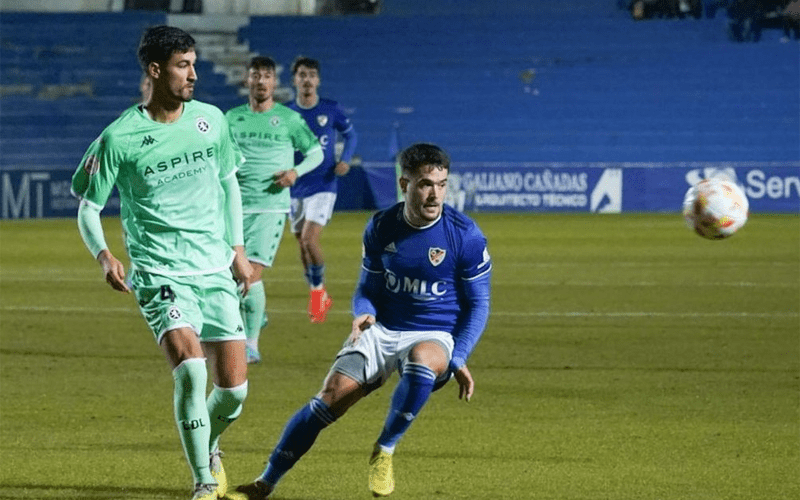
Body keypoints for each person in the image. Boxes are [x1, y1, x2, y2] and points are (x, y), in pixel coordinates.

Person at [234, 143, 493, 499]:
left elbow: (479, 305)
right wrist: (363, 312)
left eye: (442, 184)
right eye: (425, 184)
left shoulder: (465, 235)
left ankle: (384, 449)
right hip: (383, 329)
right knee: (329, 398)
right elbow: (366, 288)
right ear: (404, 185)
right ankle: (265, 482)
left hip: (435, 332)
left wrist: (459, 356)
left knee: (421, 361)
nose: (435, 194)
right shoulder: (381, 226)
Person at [71, 25, 254, 500]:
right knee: (192, 370)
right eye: (182, 65)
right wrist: (104, 253)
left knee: (233, 395)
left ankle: (208, 443)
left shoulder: (211, 120)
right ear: (155, 70)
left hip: (213, 268)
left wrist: (237, 249)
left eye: (193, 64)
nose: (193, 74)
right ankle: (203, 482)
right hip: (160, 273)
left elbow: (230, 183)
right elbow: (89, 207)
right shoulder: (119, 137)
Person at [226, 56, 324, 364]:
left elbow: (316, 153)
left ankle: (251, 345)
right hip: (234, 207)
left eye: (266, 76)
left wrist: (295, 173)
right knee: (232, 276)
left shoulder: (289, 120)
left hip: (270, 208)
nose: (260, 81)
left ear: (274, 82)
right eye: (255, 76)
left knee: (251, 274)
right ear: (247, 81)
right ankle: (259, 313)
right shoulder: (231, 118)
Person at [286, 56, 358, 323]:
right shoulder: (286, 113)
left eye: (311, 75)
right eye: (302, 74)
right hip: (295, 187)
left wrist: (346, 159)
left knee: (309, 239)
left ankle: (318, 295)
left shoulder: (331, 109)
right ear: (294, 80)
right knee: (301, 245)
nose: (307, 79)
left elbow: (351, 134)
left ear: (318, 80)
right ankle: (316, 290)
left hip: (324, 184)